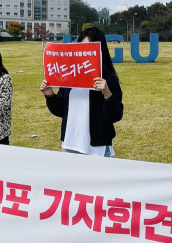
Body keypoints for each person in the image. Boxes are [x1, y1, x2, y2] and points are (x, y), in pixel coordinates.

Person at [40, 27, 123, 157]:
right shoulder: (69, 73)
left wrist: (107, 94)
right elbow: (61, 110)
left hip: (97, 148)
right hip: (70, 144)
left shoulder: (108, 77)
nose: (85, 52)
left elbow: (115, 115)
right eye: (82, 47)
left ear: (99, 50)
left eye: (90, 48)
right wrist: (50, 96)